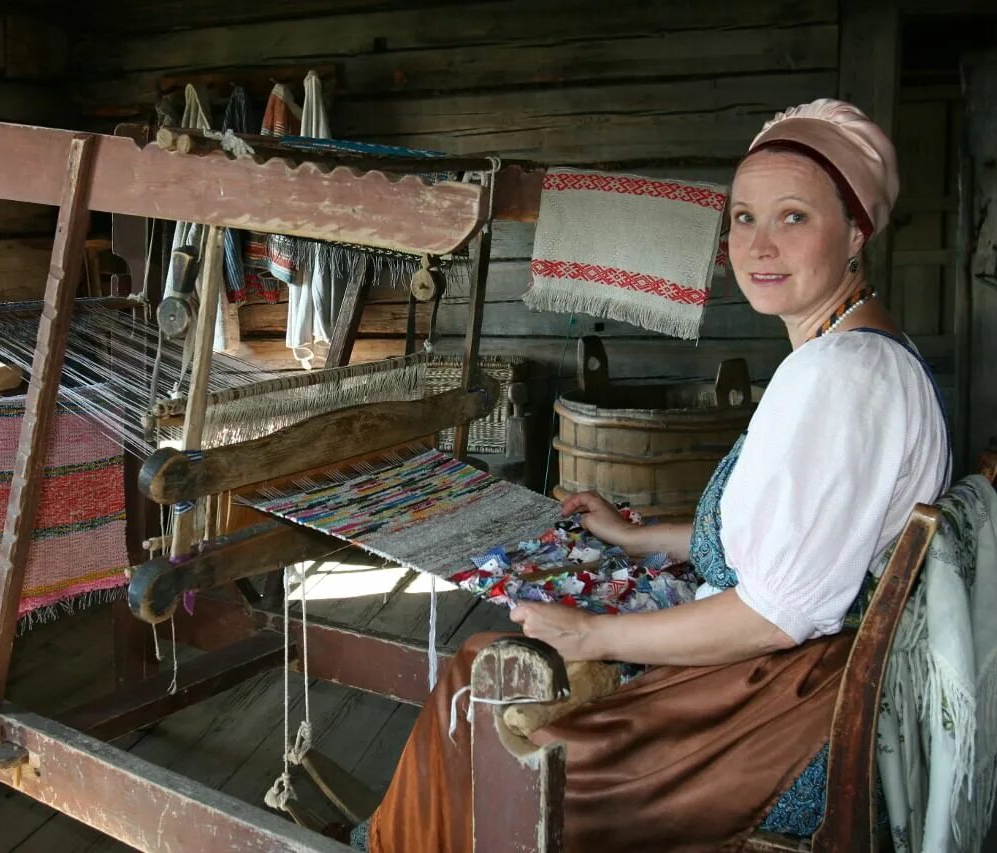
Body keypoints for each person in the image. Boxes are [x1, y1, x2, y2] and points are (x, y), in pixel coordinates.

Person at [357, 99, 951, 851]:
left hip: (786, 716)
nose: (759, 244)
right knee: (492, 671)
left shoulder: (844, 380)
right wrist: (638, 540)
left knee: (489, 685)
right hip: (790, 681)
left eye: (793, 217)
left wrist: (598, 633)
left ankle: (399, 840)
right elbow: (785, 545)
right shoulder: (854, 352)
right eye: (742, 218)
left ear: (857, 230)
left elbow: (776, 614)